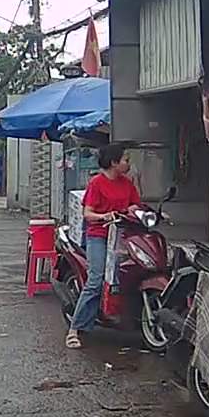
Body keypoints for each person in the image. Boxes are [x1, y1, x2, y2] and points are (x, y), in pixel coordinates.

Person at [66, 142, 140, 349]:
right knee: (95, 281)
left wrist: (137, 210)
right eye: (125, 160)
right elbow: (87, 213)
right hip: (99, 236)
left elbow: (136, 204)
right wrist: (104, 216)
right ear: (114, 162)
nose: (128, 164)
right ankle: (74, 329)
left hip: (122, 236)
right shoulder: (96, 183)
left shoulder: (127, 183)